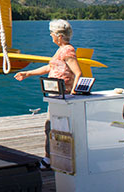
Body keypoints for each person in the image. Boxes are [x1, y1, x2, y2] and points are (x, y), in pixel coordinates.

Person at [14, 19, 82, 170]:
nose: (50, 36)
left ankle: (49, 160)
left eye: (52, 33)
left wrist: (73, 94)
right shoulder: (61, 50)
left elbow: (78, 73)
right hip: (55, 95)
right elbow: (50, 67)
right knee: (52, 127)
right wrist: (28, 73)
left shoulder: (67, 50)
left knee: (52, 127)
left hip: (61, 96)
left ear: (59, 36)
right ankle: (53, 158)